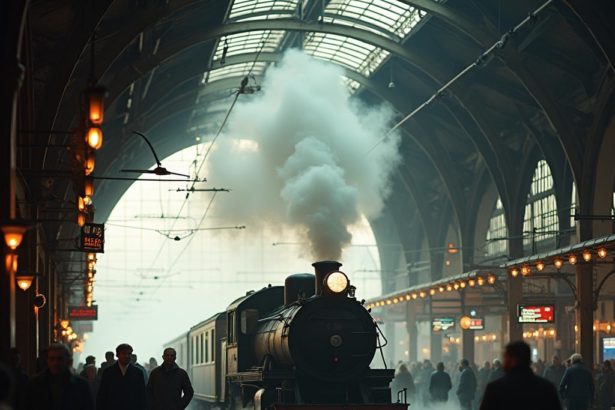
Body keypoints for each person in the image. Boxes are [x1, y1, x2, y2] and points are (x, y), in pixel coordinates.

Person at [479, 341, 560, 410]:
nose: (504, 363)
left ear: (512, 360)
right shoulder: (547, 388)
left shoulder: (494, 389)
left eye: (505, 358)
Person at [25, 343, 93, 410]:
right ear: (47, 361)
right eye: (52, 359)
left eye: (59, 359)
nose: (55, 363)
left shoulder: (81, 385)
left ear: (67, 361)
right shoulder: (34, 384)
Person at [96, 343, 146, 410]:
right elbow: (103, 394)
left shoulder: (138, 373)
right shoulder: (108, 372)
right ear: (117, 355)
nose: (126, 356)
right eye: (124, 353)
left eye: (129, 354)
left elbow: (142, 396)